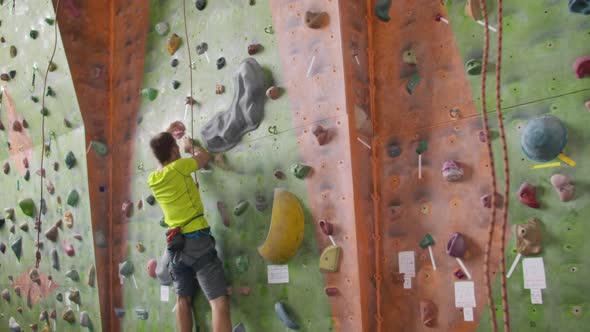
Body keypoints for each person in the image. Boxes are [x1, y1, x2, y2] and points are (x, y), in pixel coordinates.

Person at [148, 130, 231, 332]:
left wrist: (169, 141)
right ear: (174, 150)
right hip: (197, 241)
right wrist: (190, 148)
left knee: (182, 299)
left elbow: (162, 160)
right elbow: (203, 157)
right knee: (218, 301)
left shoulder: (153, 179)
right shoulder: (179, 167)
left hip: (175, 247)